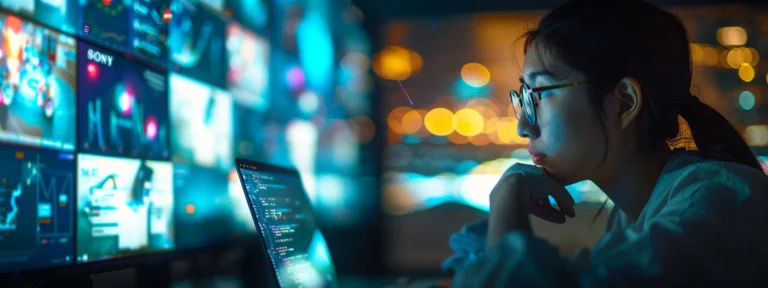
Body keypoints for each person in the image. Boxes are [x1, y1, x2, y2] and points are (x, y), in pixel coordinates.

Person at [442, 0, 768, 286]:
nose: (523, 126)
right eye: (523, 98)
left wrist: (507, 196)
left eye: (539, 95)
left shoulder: (717, 202)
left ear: (624, 103)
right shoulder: (631, 218)